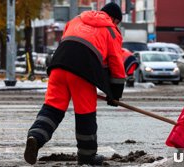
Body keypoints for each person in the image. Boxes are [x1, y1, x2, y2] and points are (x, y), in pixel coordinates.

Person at [24, 2, 125, 166]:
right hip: (83, 71)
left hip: (58, 65)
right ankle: (87, 156)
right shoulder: (111, 31)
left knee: (52, 108)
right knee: (85, 114)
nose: (117, 25)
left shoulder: (76, 20)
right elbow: (116, 64)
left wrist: (109, 92)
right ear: (114, 19)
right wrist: (115, 94)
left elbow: (68, 41)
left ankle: (35, 137)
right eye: (118, 22)